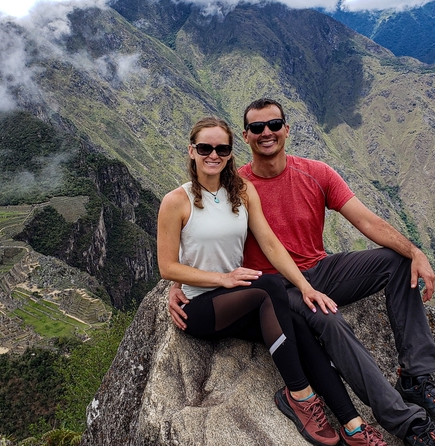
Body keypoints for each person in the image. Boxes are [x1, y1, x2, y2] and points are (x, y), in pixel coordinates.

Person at [169, 99, 435, 446]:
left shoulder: (316, 173)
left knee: (398, 262)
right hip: (278, 290)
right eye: (257, 128)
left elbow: (366, 220)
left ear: (287, 129)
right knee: (328, 320)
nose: (267, 133)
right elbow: (197, 228)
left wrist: (415, 252)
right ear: (246, 137)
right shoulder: (235, 186)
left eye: (274, 124)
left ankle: (416, 377)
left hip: (320, 269)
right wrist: (178, 282)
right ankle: (405, 423)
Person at [158, 117, 379, 446]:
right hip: (200, 308)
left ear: (231, 153)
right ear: (192, 152)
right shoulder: (176, 201)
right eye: (205, 148)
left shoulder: (242, 193)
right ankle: (300, 397)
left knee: (299, 325)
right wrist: (222, 278)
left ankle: (354, 425)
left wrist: (306, 287)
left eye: (222, 148)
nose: (213, 155)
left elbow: (270, 244)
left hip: (239, 302)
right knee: (270, 287)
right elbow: (167, 267)